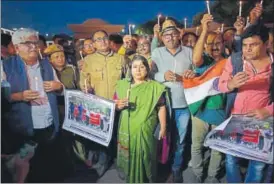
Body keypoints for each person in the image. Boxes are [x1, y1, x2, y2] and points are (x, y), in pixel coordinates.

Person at [2, 28, 63, 182]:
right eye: (27, 43)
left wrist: (59, 87)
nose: (33, 47)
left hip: (48, 123)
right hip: (23, 127)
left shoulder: (47, 65)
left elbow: (61, 88)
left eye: (35, 43)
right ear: (16, 48)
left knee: (48, 164)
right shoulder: (6, 66)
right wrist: (18, 96)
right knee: (26, 170)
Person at [218, 24, 273, 183]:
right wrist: (231, 84)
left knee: (257, 163)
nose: (247, 49)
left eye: (253, 45)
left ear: (266, 44)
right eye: (244, 45)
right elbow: (221, 85)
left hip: (262, 123)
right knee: (231, 159)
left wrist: (268, 111)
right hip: (235, 119)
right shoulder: (235, 60)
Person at [151, 19, 195, 182]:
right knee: (160, 137)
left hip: (183, 104)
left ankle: (176, 168)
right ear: (162, 38)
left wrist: (188, 76)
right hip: (162, 104)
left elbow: (197, 74)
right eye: (166, 35)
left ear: (179, 35)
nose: (170, 37)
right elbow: (149, 76)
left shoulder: (189, 52)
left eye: (173, 34)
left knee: (181, 139)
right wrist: (162, 76)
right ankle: (160, 166)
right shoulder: (157, 53)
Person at [114, 55, 168, 183]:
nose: (138, 70)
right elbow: (115, 104)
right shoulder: (122, 85)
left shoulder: (154, 87)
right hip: (127, 127)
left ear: (147, 69)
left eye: (142, 67)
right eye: (135, 67)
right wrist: (117, 106)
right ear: (130, 69)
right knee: (129, 154)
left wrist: (163, 127)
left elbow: (161, 107)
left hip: (145, 128)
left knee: (146, 156)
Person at [80, 30, 126, 177]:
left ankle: (120, 164)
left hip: (118, 105)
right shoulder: (88, 60)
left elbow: (128, 80)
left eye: (105, 38)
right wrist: (85, 88)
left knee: (118, 136)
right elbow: (83, 81)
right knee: (101, 136)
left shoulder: (120, 59)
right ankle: (103, 162)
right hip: (99, 107)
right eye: (98, 39)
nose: (103, 41)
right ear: (93, 44)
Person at [189, 13, 227, 183]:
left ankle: (212, 176)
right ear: (204, 47)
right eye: (210, 44)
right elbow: (195, 58)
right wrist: (204, 30)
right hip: (200, 112)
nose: (214, 47)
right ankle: (197, 173)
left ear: (224, 44)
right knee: (196, 146)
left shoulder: (230, 62)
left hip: (220, 112)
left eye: (217, 43)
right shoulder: (203, 61)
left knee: (217, 147)